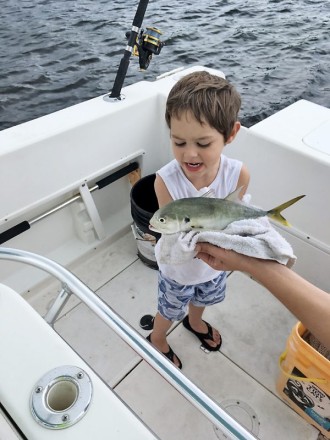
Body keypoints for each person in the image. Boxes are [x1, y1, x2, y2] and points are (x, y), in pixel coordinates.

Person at [147, 70, 250, 368]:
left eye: (203, 144)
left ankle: (195, 323)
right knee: (168, 308)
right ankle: (158, 337)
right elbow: (173, 232)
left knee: (202, 299)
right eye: (179, 143)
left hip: (214, 268)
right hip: (178, 270)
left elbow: (234, 219)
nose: (190, 155)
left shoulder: (238, 175)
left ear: (230, 134)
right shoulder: (164, 181)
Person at [195, 242, 330, 350]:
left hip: (211, 270)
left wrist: (250, 262)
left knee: (203, 297)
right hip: (177, 275)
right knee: (173, 309)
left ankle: (194, 322)